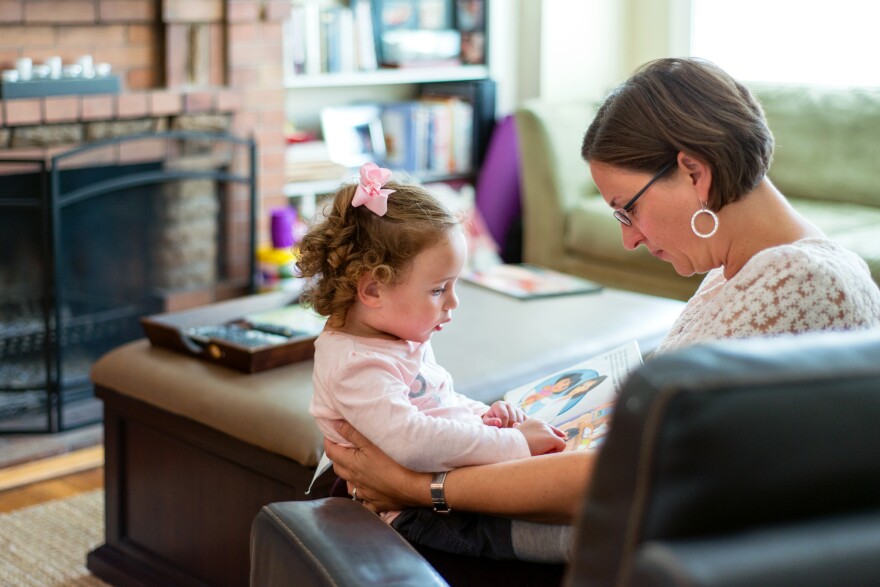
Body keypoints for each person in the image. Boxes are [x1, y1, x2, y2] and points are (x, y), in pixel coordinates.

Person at [325, 57, 880, 554]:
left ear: (694, 173)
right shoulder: (751, 268)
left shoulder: (794, 281)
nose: (629, 239)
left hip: (620, 539)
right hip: (612, 505)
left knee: (360, 493)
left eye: (625, 210)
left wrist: (423, 489)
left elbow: (627, 479)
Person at [296, 162, 566, 560]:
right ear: (372, 288)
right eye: (439, 289)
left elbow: (441, 402)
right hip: (409, 514)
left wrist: (485, 415)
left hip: (434, 481)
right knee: (537, 531)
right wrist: (513, 443)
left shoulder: (394, 338)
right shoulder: (356, 366)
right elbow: (414, 442)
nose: (453, 303)